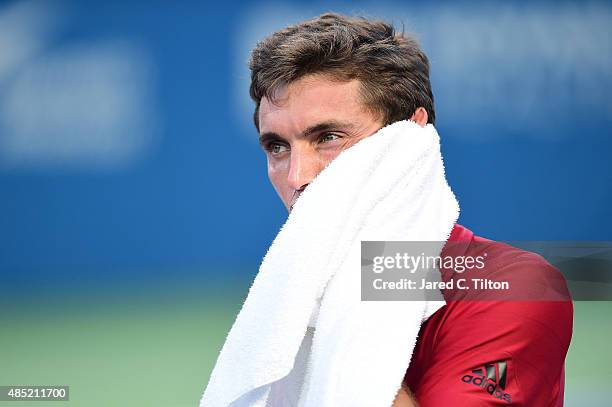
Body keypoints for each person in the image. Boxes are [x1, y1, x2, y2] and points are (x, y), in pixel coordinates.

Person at [249, 12, 573, 406]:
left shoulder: (517, 288)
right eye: (277, 147)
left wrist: (348, 305)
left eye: (328, 137)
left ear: (410, 136)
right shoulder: (292, 296)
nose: (297, 176)